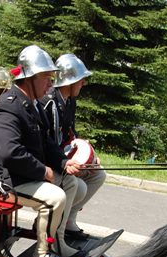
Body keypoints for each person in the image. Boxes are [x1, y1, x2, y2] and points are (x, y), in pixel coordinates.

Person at [0, 45, 84, 257]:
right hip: (0, 179)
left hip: (18, 175)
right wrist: (42, 171)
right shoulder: (8, 107)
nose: (50, 84)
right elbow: (10, 153)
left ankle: (57, 242)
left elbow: (46, 141)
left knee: (71, 183)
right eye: (46, 78)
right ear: (30, 78)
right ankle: (43, 254)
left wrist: (64, 163)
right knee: (55, 198)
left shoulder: (31, 103)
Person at [40, 53, 106, 240]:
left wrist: (88, 156)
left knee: (98, 173)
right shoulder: (49, 101)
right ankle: (55, 234)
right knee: (79, 187)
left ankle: (69, 220)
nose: (83, 84)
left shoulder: (70, 100)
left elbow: (71, 133)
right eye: (80, 79)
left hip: (63, 158)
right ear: (69, 81)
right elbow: (46, 141)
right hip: (50, 162)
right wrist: (65, 163)